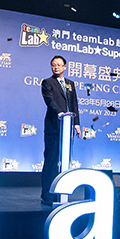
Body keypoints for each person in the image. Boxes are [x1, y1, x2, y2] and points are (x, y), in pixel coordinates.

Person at [40, 55, 80, 204]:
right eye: (53, 65)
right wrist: (61, 114)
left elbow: (74, 104)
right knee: (51, 161)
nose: (56, 67)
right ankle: (47, 195)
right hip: (54, 126)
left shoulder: (70, 83)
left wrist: (76, 123)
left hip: (68, 127)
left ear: (65, 67)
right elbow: (50, 100)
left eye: (59, 65)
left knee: (64, 161)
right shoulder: (47, 82)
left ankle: (61, 193)